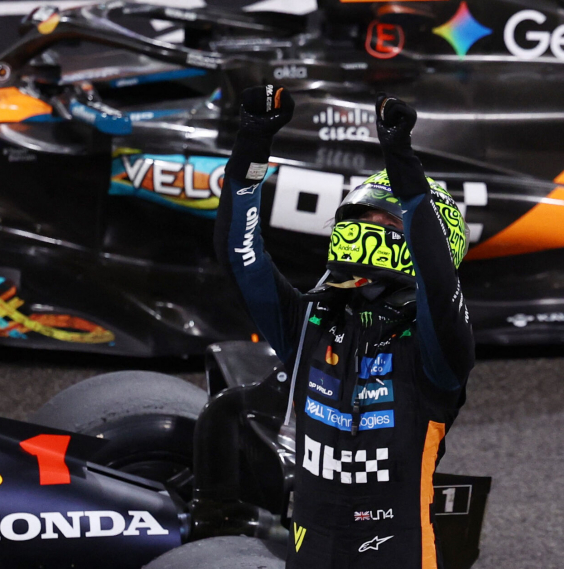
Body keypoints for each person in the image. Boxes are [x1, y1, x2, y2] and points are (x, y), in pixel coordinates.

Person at [214, 85, 474, 569]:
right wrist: (252, 144)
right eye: (360, 213)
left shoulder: (436, 350)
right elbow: (240, 257)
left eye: (383, 219)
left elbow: (438, 282)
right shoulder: (309, 323)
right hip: (308, 554)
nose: (365, 224)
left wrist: (403, 164)